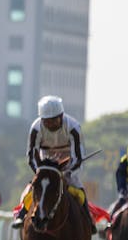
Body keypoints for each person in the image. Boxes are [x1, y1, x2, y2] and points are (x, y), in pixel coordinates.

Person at [11, 95, 88, 228]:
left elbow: (78, 157)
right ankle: (22, 213)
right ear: (42, 119)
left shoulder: (73, 127)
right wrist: (40, 172)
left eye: (54, 120)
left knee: (79, 192)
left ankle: (88, 220)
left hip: (67, 162)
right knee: (31, 189)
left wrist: (67, 173)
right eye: (46, 121)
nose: (50, 124)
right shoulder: (35, 128)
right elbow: (31, 156)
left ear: (61, 116)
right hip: (45, 162)